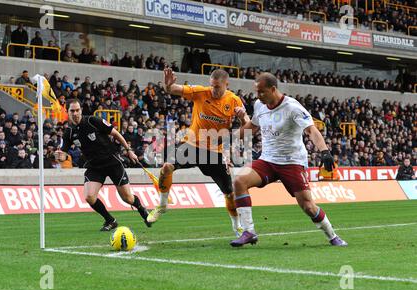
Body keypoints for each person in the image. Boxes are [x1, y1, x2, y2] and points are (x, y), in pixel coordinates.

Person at [230, 73, 347, 247]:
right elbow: (252, 127)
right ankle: (249, 232)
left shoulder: (292, 107)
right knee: (239, 181)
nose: (258, 96)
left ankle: (332, 235)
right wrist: (228, 138)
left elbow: (311, 130)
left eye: (262, 92)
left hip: (292, 162)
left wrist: (324, 152)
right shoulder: (259, 105)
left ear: (273, 89)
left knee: (308, 206)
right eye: (256, 92)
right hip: (268, 160)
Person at [147, 68, 249, 237]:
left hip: (214, 152)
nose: (214, 90)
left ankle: (237, 225)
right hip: (192, 145)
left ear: (226, 84)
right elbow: (173, 90)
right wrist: (168, 84)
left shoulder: (234, 100)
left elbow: (247, 124)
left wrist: (242, 116)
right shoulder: (201, 92)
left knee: (230, 193)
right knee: (166, 167)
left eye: (217, 87)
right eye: (212, 86)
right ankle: (162, 205)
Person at [55, 99, 151, 231]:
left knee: (127, 198)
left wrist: (129, 151)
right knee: (89, 197)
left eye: (77, 110)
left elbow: (115, 134)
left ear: (81, 110)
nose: (75, 113)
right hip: (94, 167)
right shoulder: (69, 133)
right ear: (68, 112)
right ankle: (110, 220)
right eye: (72, 111)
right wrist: (60, 157)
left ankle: (142, 209)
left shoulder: (93, 121)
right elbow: (64, 154)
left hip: (112, 162)